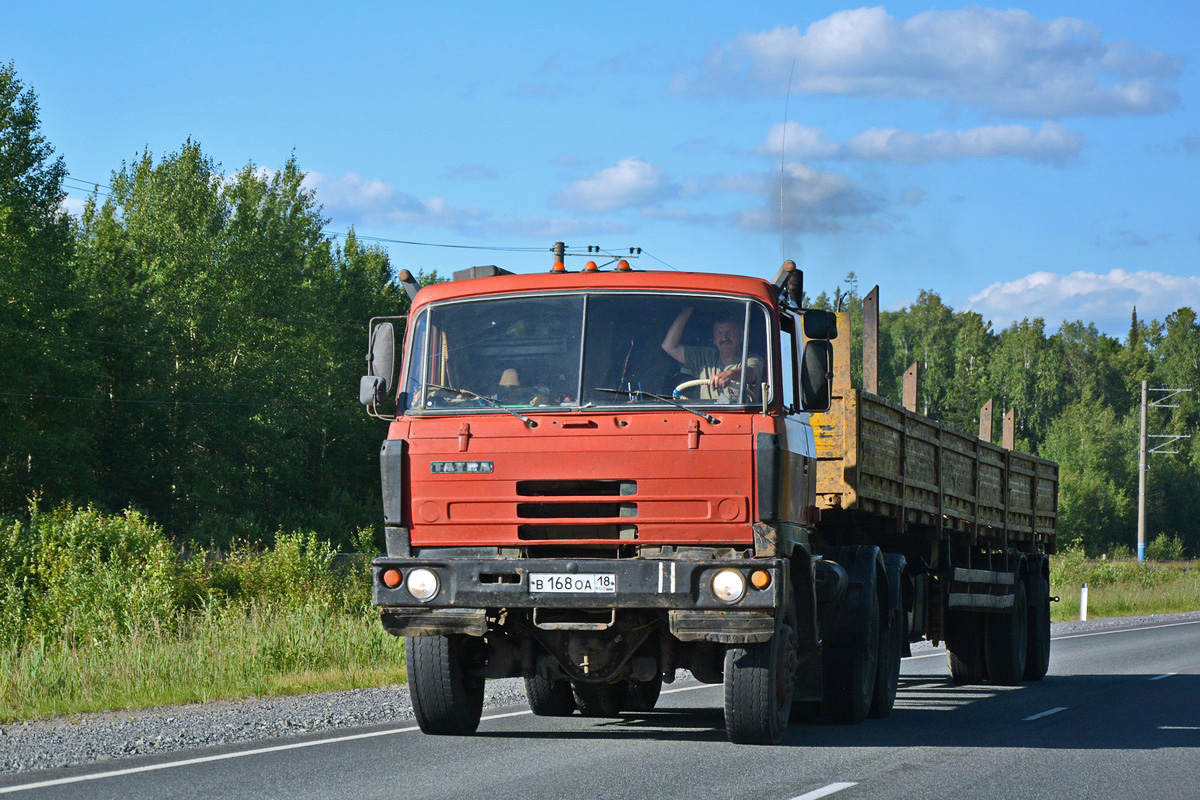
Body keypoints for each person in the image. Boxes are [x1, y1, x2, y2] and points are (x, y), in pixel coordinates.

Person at [661, 307, 762, 401]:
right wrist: (688, 308)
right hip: (706, 417)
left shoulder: (751, 359)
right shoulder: (705, 357)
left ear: (741, 336)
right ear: (714, 339)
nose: (724, 337)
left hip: (740, 418)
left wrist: (729, 374)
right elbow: (669, 346)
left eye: (730, 332)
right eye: (719, 333)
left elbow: (751, 372)